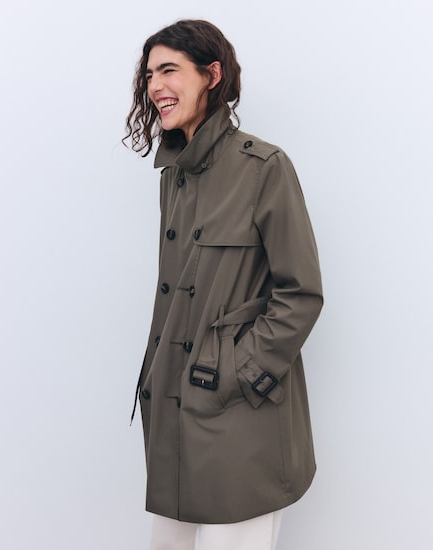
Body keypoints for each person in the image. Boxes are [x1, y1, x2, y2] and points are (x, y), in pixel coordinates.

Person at [124, 19, 323, 550]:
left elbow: (300, 293)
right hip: (173, 414)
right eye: (149, 75)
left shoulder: (264, 168)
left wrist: (238, 372)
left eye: (169, 70)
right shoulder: (174, 176)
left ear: (211, 75)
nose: (155, 86)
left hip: (239, 417)